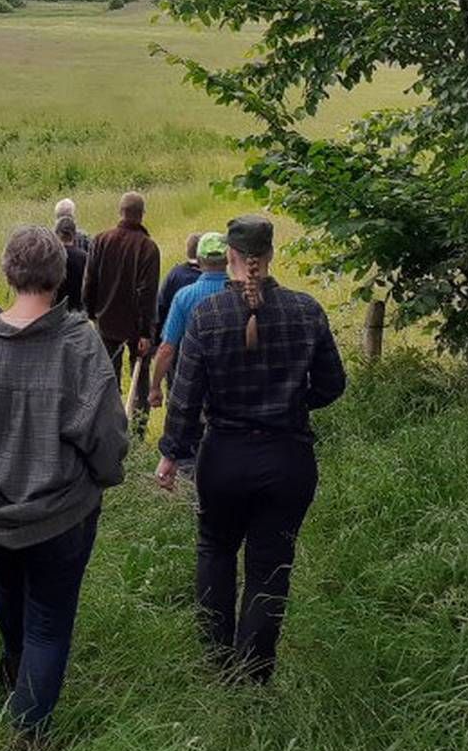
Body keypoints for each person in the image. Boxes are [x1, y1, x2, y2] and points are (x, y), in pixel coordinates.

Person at [0, 226, 128, 751]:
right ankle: (28, 733)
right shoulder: (81, 345)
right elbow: (107, 437)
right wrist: (105, 477)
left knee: (8, 584)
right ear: (61, 276)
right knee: (49, 623)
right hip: (61, 515)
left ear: (7, 271)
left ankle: (15, 673)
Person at [156, 216, 346, 683]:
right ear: (271, 254)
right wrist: (294, 401)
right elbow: (332, 385)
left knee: (215, 551)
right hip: (288, 459)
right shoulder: (307, 311)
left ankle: (217, 662)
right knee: (269, 565)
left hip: (223, 457)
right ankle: (254, 672)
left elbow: (186, 396)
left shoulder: (206, 316)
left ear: (232, 258)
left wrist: (169, 452)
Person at [81, 191, 160, 427]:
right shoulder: (148, 248)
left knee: (108, 378)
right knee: (141, 377)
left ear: (120, 212)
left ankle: (109, 427)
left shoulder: (101, 240)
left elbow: (89, 281)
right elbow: (147, 293)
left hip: (106, 320)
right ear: (142, 215)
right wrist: (146, 332)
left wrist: (90, 313)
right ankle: (137, 428)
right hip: (136, 327)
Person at [148, 231, 229, 416]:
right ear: (228, 259)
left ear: (199, 260)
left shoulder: (184, 297)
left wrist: (155, 387)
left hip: (188, 381)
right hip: (229, 389)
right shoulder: (242, 295)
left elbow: (167, 349)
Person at [156, 232, 202, 349]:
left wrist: (156, 340)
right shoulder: (212, 276)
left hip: (176, 338)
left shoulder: (175, 274)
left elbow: (161, 305)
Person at [55, 215, 87, 314]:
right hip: (77, 308)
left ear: (56, 233)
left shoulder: (50, 256)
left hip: (55, 310)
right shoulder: (84, 257)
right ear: (74, 234)